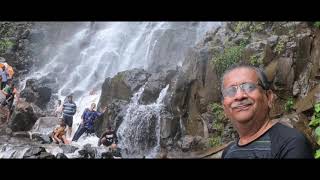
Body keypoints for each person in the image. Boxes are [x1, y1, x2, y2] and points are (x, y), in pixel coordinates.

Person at [221, 64, 314, 159]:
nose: (239, 96)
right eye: (230, 91)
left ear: (269, 97)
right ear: (224, 108)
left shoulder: (291, 143)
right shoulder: (228, 151)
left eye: (249, 87)